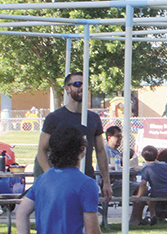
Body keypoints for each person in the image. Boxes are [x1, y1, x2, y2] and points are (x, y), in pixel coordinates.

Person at [35, 72, 112, 202]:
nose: (81, 87)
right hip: (60, 181)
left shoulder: (93, 118)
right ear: (67, 89)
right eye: (77, 84)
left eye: (85, 84)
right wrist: (50, 175)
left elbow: (100, 151)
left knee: (88, 218)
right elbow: (42, 150)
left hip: (86, 178)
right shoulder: (54, 118)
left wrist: (107, 181)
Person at [129, 145, 167, 228]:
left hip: (157, 191)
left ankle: (153, 216)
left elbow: (143, 183)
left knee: (150, 200)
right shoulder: (164, 164)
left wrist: (139, 195)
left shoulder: (146, 168)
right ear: (157, 155)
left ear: (144, 157)